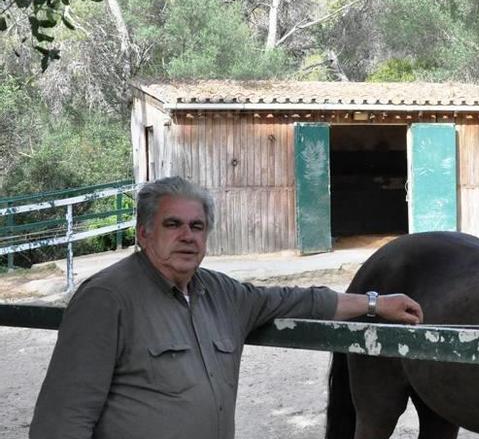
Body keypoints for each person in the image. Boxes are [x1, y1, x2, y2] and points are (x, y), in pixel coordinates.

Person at [29, 176, 423, 439]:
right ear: (144, 233)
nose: (187, 236)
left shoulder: (223, 294)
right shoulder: (107, 299)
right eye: (173, 225)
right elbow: (62, 419)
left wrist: (375, 303)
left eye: (196, 227)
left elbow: (298, 299)